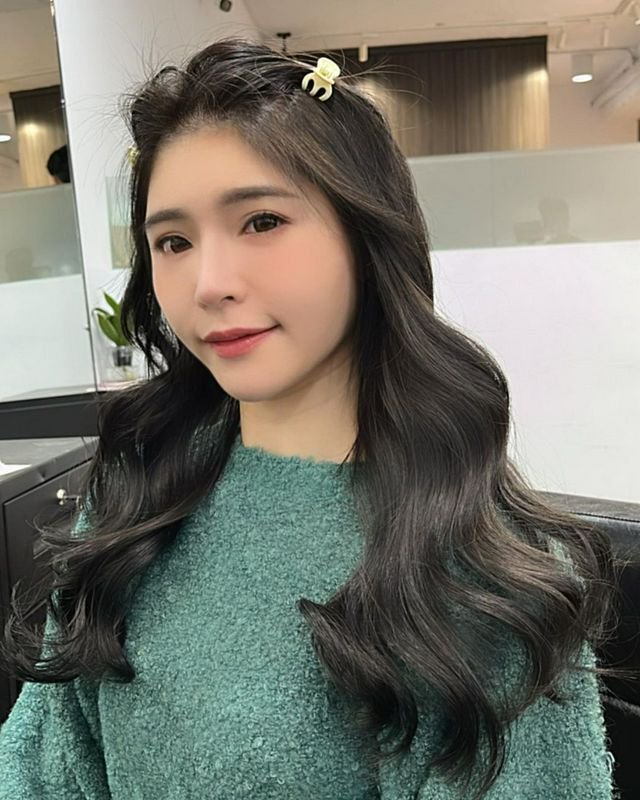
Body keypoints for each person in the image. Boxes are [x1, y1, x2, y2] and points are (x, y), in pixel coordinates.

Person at [0, 38, 621, 799]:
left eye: (262, 221)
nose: (209, 283)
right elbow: (42, 764)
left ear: (366, 234)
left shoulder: (478, 569)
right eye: (173, 241)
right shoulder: (139, 492)